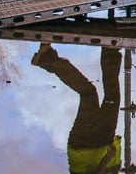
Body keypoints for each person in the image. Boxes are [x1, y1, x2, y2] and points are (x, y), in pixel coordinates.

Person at [31, 44, 123, 174]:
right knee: (89, 95)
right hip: (83, 144)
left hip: (96, 144)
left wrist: (107, 158)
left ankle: (110, 51)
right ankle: (48, 59)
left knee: (108, 97)